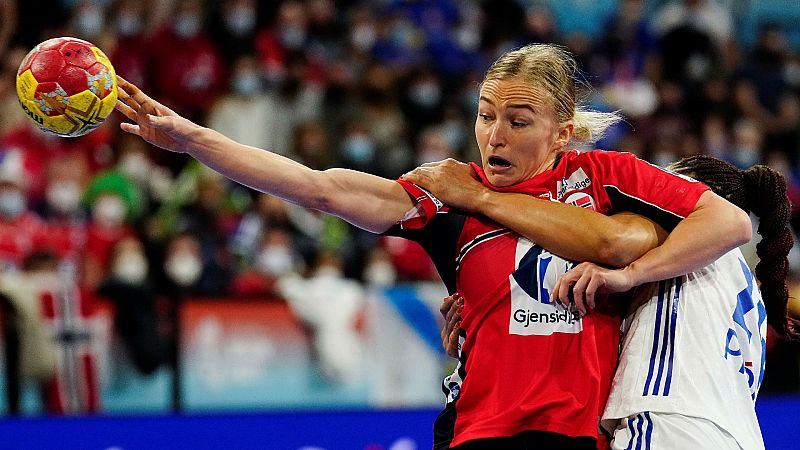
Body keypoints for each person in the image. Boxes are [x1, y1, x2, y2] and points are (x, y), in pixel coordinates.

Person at [114, 43, 751, 449]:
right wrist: (197, 140)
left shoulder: (611, 179)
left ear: (562, 131)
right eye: (485, 114)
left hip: (579, 434)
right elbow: (321, 189)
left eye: (518, 121)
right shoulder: (451, 192)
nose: (494, 134)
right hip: (480, 431)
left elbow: (728, 225)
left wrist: (628, 275)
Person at [432, 155, 798, 449]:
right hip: (740, 435)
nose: (646, 202)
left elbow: (604, 243)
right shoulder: (748, 292)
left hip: (665, 423)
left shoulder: (678, 240)